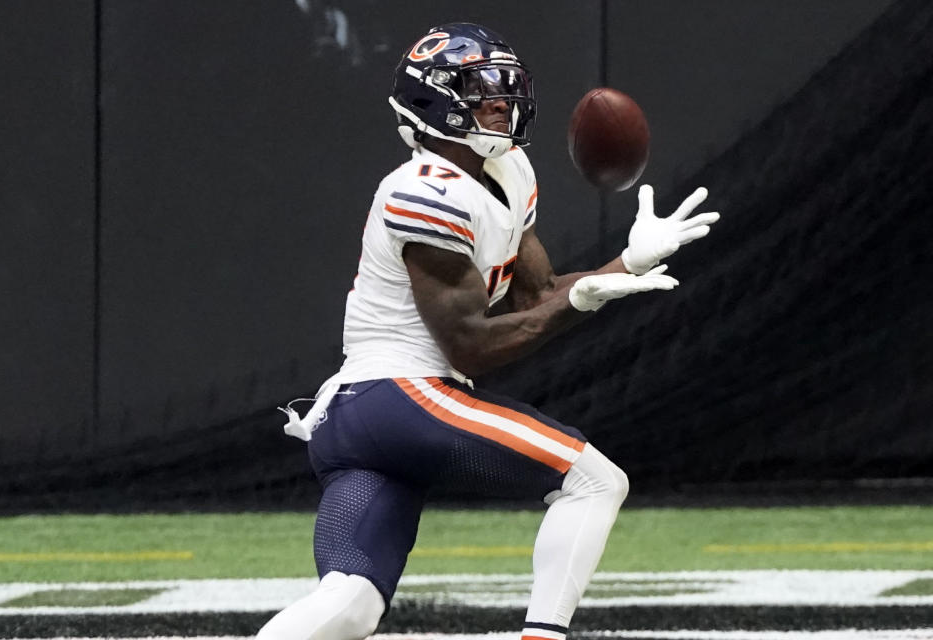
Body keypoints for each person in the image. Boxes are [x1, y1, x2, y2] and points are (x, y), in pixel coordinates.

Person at [258, 22, 719, 640]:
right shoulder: (423, 192)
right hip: (398, 396)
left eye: (506, 88)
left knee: (351, 604)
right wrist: (580, 302)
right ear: (431, 103)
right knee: (594, 480)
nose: (500, 103)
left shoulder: (508, 173)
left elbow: (538, 293)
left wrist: (625, 264)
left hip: (363, 414)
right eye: (480, 91)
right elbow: (472, 342)